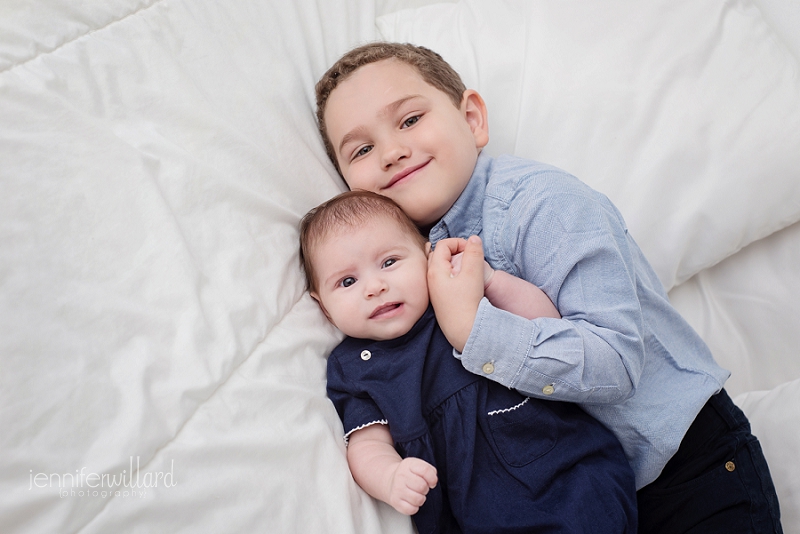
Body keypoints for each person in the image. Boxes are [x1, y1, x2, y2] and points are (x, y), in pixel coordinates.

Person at [313, 42, 783, 533]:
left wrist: (474, 329)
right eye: (362, 149)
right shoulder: (400, 273)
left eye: (409, 120)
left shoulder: (542, 204)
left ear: (472, 118)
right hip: (576, 500)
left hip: (688, 466)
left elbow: (616, 361)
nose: (392, 152)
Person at [299, 190, 637, 533]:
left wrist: (489, 280)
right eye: (347, 281)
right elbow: (367, 443)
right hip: (476, 511)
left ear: (426, 255)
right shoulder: (354, 367)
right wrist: (389, 476)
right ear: (323, 305)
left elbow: (548, 323)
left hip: (567, 468)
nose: (374, 287)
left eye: (389, 262)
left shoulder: (456, 296)